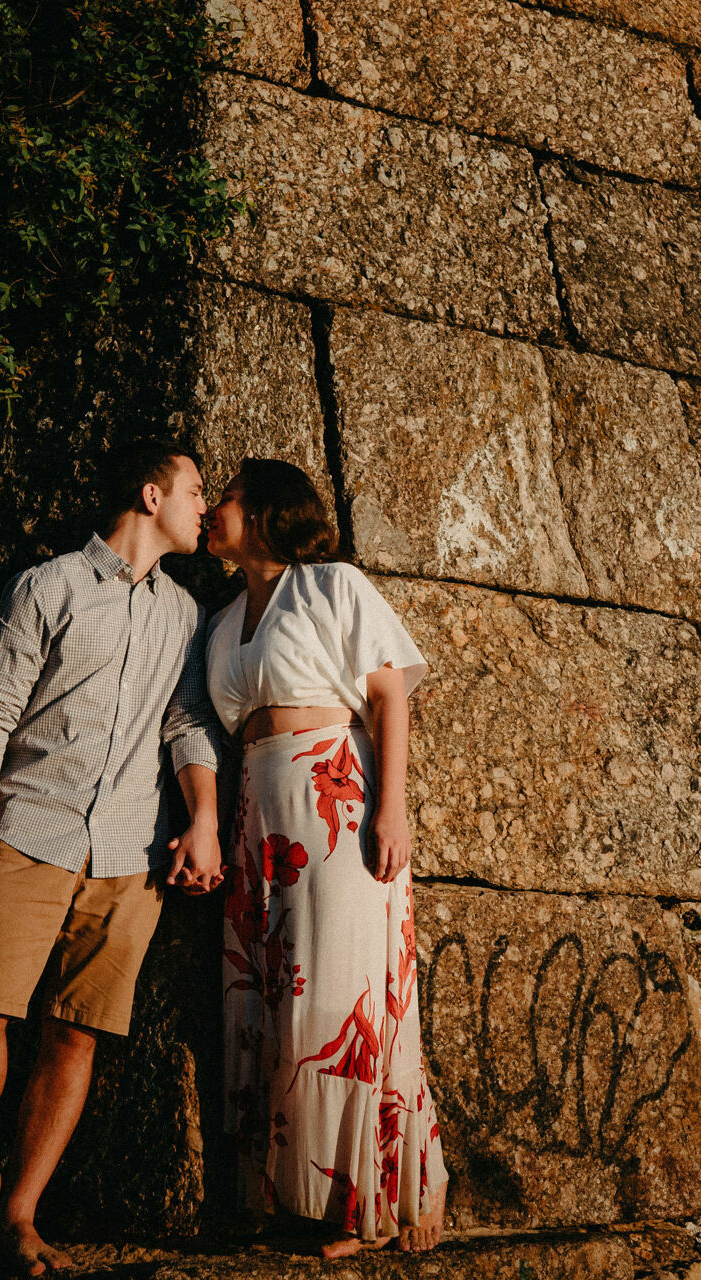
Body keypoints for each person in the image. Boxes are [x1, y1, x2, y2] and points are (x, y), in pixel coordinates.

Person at [0, 440, 227, 1276]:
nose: (205, 508)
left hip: (130, 850)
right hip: (29, 829)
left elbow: (186, 724)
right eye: (195, 491)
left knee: (76, 1033)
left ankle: (19, 1214)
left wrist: (205, 819)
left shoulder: (186, 615)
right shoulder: (47, 587)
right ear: (150, 495)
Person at [202, 458, 450, 1257]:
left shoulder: (332, 584)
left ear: (264, 511)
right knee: (268, 995)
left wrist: (392, 808)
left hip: (335, 798)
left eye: (226, 498)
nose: (211, 510)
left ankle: (372, 1200)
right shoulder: (222, 619)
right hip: (259, 813)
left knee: (339, 995)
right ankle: (293, 1194)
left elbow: (388, 696)